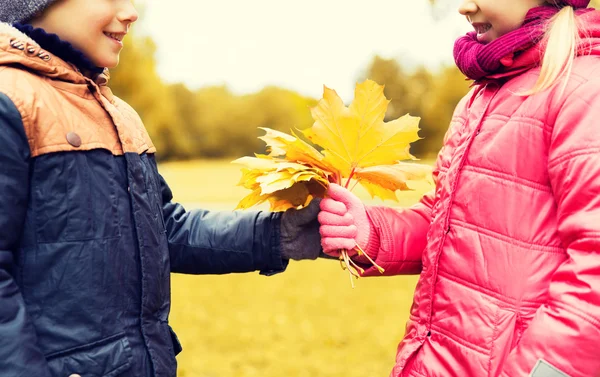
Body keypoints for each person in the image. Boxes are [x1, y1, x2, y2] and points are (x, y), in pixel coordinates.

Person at [0, 1, 322, 376]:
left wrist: (277, 234)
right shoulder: (11, 101)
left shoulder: (117, 113)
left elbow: (163, 228)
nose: (131, 11)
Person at [318, 1, 600, 376]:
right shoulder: (480, 97)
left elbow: (594, 273)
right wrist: (370, 232)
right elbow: (446, 221)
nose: (464, 7)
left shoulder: (584, 92)